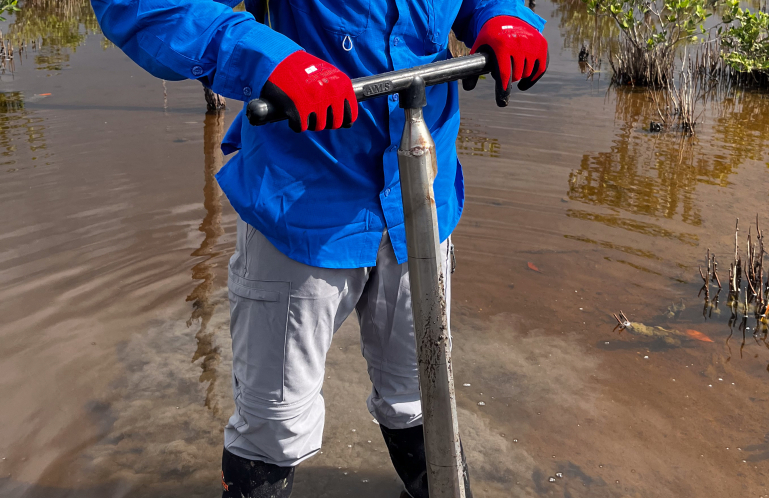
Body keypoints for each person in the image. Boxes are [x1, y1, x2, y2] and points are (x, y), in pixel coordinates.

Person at [92, 0, 548, 496]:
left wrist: (504, 17)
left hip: (422, 198)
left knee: (422, 399)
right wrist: (268, 58)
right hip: (302, 204)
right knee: (272, 428)